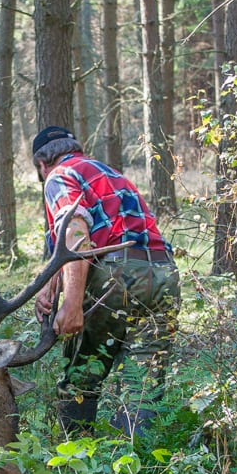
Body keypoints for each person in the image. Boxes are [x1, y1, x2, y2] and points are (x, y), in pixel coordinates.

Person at [32, 126, 180, 437]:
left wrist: (72, 303)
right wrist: (52, 281)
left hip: (117, 277)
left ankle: (77, 463)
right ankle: (140, 468)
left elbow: (75, 230)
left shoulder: (59, 175)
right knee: (143, 381)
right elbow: (112, 232)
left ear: (42, 165)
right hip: (163, 272)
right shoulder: (112, 175)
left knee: (83, 375)